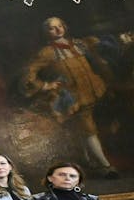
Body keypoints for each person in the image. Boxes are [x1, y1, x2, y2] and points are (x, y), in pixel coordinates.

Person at [23, 16, 117, 177]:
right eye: (53, 28)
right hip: (73, 97)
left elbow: (101, 56)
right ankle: (105, 166)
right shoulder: (48, 53)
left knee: (86, 127)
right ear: (46, 33)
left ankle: (88, 160)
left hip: (95, 90)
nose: (58, 30)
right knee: (88, 128)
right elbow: (29, 73)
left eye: (60, 26)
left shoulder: (80, 44)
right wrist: (45, 85)